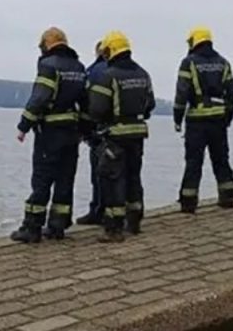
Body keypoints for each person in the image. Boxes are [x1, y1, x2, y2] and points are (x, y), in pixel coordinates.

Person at [10, 27, 87, 243]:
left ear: (46, 45)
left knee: (42, 179)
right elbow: (86, 102)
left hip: (50, 133)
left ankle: (32, 227)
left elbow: (40, 98)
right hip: (72, 133)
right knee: (65, 180)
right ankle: (58, 226)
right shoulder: (79, 67)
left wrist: (24, 125)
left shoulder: (48, 65)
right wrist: (84, 130)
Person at [87, 30, 155, 243]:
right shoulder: (143, 74)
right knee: (134, 176)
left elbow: (96, 109)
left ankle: (114, 228)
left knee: (112, 179)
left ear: (111, 50)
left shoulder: (109, 76)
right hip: (137, 132)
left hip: (115, 134)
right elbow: (150, 104)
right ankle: (134, 221)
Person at [173, 27, 233, 213]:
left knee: (194, 162)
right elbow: (232, 92)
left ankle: (188, 202)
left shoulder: (189, 63)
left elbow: (182, 93)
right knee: (221, 159)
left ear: (194, 42)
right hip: (218, 120)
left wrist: (177, 118)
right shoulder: (223, 62)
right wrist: (228, 116)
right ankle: (227, 197)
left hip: (197, 122)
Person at [76, 41, 108, 226]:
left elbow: (84, 103)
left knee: (99, 173)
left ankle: (98, 210)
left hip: (97, 131)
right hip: (124, 131)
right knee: (124, 174)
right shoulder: (130, 71)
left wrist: (84, 130)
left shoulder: (92, 72)